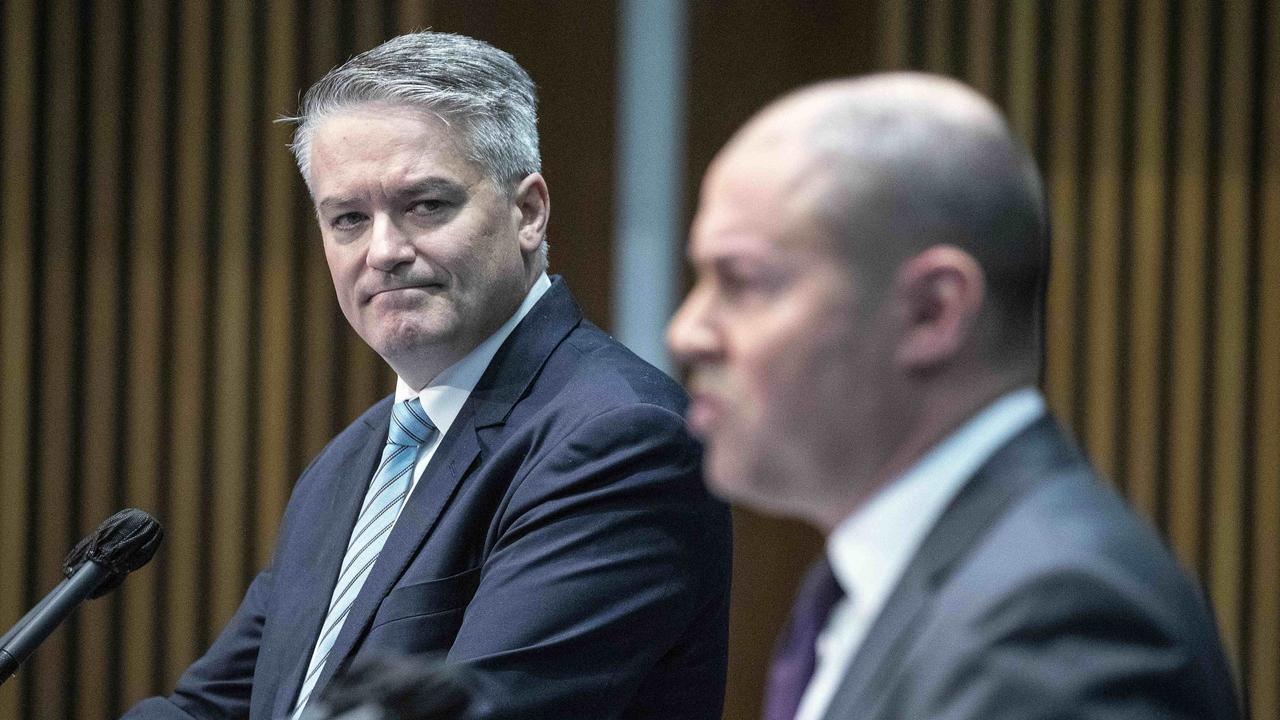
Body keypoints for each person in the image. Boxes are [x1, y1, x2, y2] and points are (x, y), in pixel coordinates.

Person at [124, 31, 731, 720]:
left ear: (528, 212)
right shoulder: (352, 463)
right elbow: (214, 708)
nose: (383, 251)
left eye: (426, 206)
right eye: (349, 218)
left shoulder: (618, 439)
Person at [667, 72, 1241, 720]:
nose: (686, 332)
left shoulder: (1058, 616)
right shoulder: (892, 575)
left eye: (742, 282)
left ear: (933, 312)